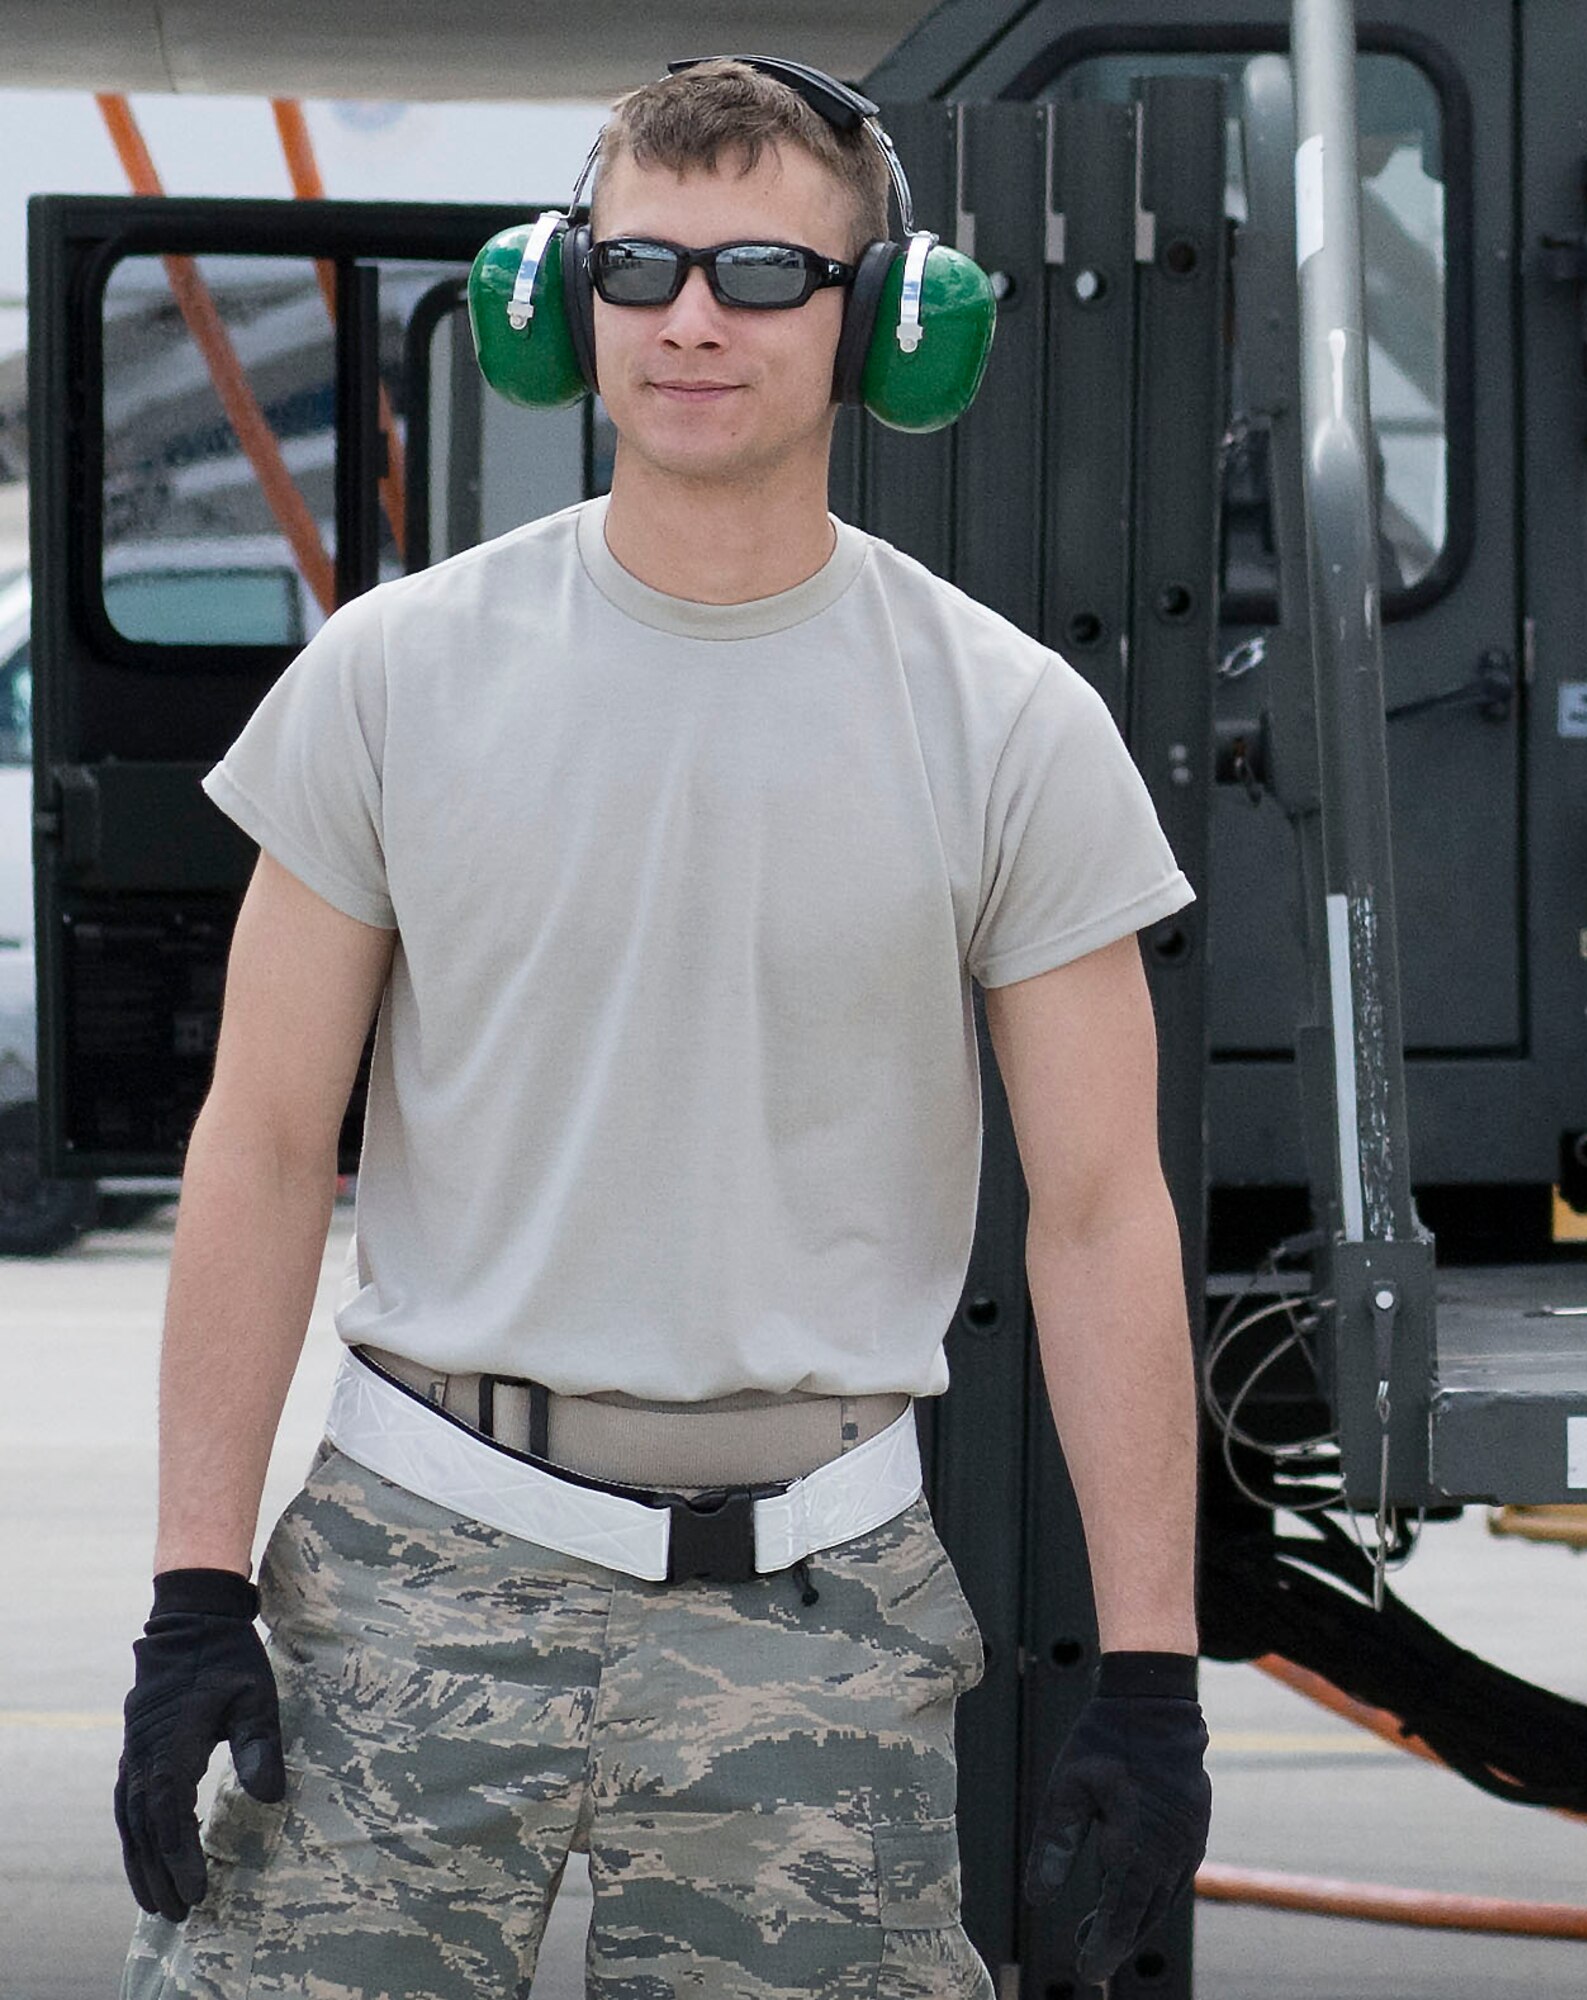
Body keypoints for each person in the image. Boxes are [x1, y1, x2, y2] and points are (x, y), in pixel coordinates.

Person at [116, 56, 1210, 2000]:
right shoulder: (394, 677)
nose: (694, 317)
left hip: (822, 1612)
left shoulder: (1009, 719)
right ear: (566, 304)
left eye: (768, 271)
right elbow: (265, 1142)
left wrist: (1152, 1672)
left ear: (885, 322)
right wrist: (193, 1595)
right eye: (640, 265)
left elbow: (1103, 1209)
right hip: (408, 1587)